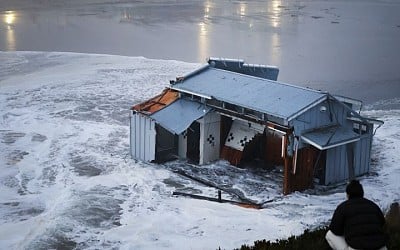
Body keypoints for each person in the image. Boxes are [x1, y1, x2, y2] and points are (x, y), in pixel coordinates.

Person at [325, 180, 387, 250]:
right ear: (362, 193)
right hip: (381, 247)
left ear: (348, 195)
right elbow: (382, 223)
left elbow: (335, 230)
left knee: (330, 234)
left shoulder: (343, 207)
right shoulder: (373, 205)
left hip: (357, 247)